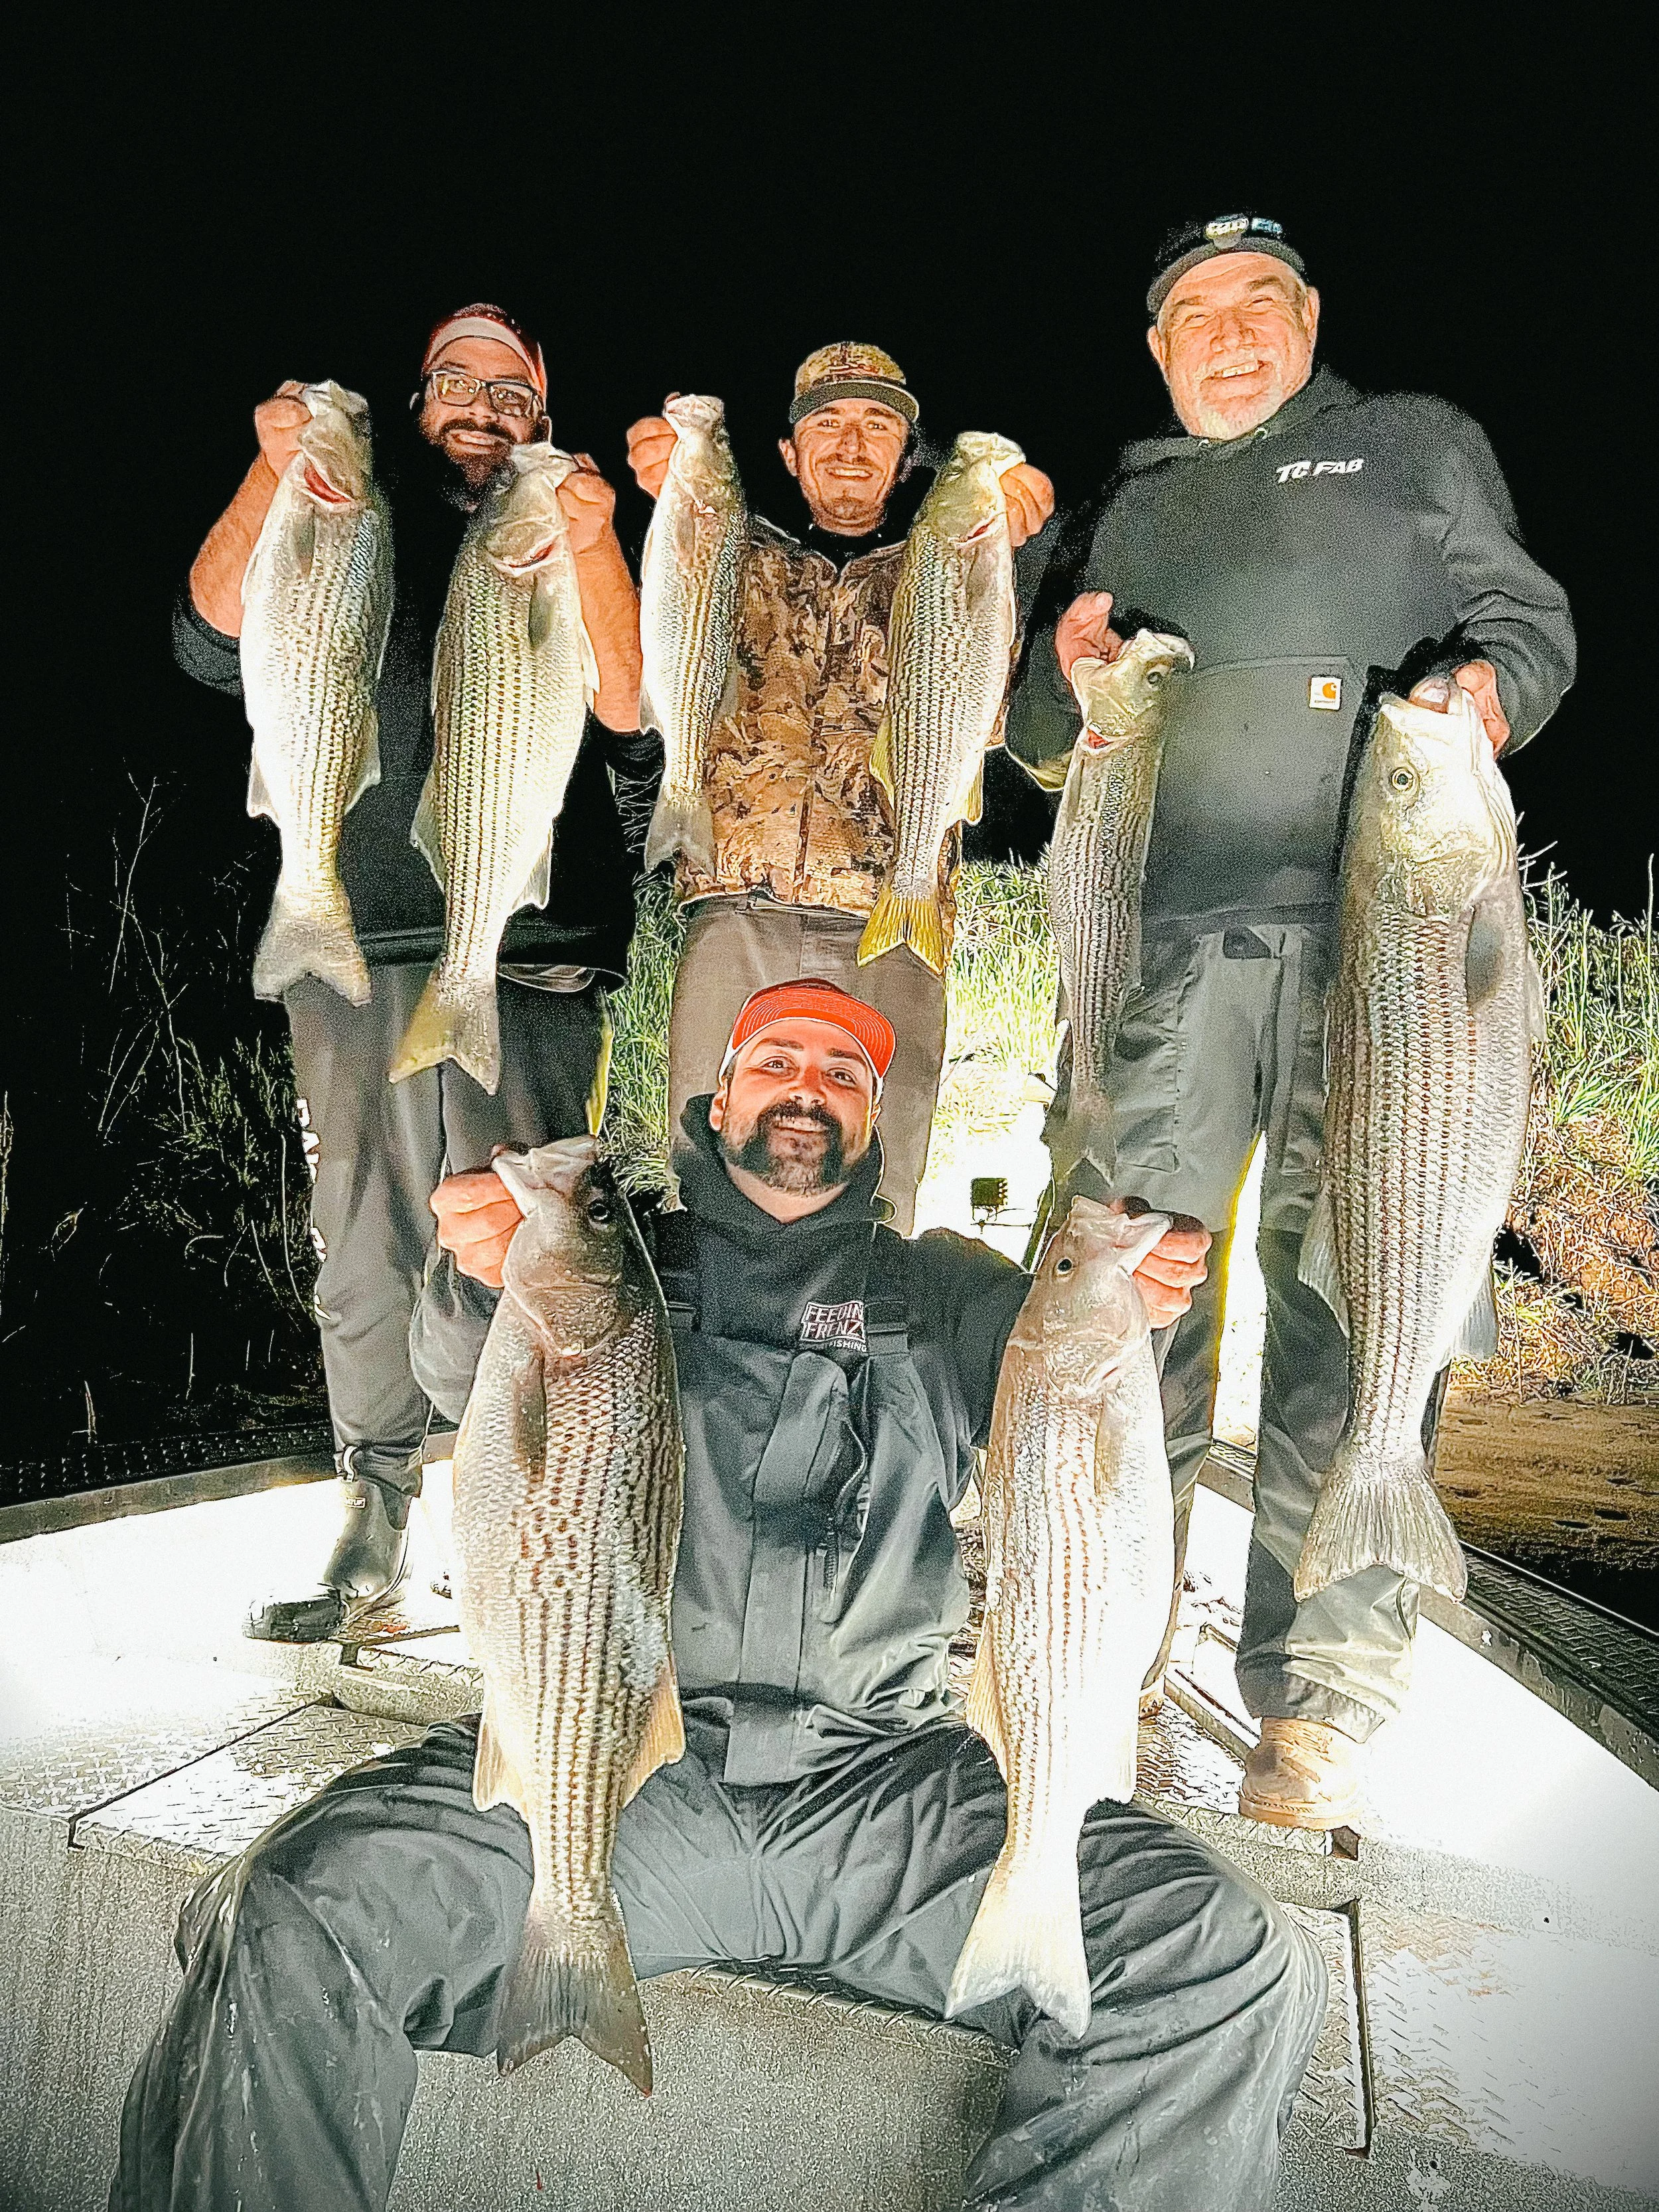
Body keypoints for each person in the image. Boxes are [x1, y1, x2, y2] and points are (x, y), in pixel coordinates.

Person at [111, 982, 1327, 2212]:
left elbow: (1083, 1411)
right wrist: (483, 1275)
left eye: (843, 1075)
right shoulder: (619, 1262)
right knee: (287, 1908)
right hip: (627, 1780)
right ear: (723, 1091)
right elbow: (454, 1373)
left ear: (873, 1122)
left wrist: (1140, 1297)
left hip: (887, 1801)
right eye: (778, 1061)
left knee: (1223, 1961)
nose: (808, 1090)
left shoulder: (953, 1296)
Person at [1008, 214, 1576, 1829]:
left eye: (1260, 304)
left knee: (1359, 1304)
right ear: (1157, 350)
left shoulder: (1410, 446)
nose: (1230, 333)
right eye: (1196, 315)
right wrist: (1054, 671)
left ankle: (1315, 1705)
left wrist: (1487, 694)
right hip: (1161, 952)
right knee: (1120, 1300)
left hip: (1378, 949)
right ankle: (1096, 1645)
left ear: (1308, 318)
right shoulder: (1129, 496)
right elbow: (1044, 734)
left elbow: (1525, 627)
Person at [177, 303, 656, 1639]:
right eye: (455, 379)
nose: (481, 402)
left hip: (533, 947)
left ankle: (544, 1519)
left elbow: (633, 713)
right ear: (420, 397)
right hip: (354, 937)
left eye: (509, 384)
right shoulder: (352, 518)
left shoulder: (569, 525)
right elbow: (207, 640)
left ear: (543, 405)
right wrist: (279, 469)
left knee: (530, 1245)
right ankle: (378, 1517)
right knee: (363, 1240)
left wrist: (595, 538)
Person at [625, 344, 1056, 1232]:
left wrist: (1026, 540)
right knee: (708, 1186)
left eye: (879, 427)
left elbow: (1006, 717)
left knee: (877, 1192)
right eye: (826, 425)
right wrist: (670, 478)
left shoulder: (951, 565)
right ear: (786, 455)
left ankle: (862, 1361)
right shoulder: (726, 550)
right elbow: (647, 657)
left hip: (890, 920)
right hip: (734, 910)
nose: (852, 447)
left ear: (909, 458)